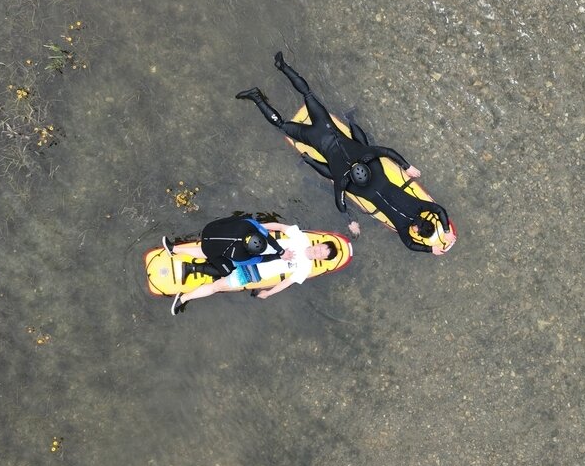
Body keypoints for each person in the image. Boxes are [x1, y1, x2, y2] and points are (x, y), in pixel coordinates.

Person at [237, 51, 454, 255]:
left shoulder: (367, 158)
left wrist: (408, 167)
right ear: (417, 229)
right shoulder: (344, 179)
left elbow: (388, 154)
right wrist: (350, 220)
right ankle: (258, 98)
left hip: (326, 126)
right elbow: (341, 203)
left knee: (308, 94)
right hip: (313, 139)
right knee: (283, 126)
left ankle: (282, 65)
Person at [170, 223, 336, 314]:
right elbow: (280, 227)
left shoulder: (305, 268)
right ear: (320, 243)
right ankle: (175, 250)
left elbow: (287, 282)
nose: (319, 251)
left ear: (321, 259)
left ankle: (183, 298)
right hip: (249, 251)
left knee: (218, 286)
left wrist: (269, 293)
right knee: (209, 252)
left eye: (323, 254)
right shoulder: (302, 238)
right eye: (322, 248)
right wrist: (258, 227)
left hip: (256, 272)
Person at [162, 216, 286, 282]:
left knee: (234, 221)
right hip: (209, 248)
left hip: (209, 229)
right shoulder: (241, 256)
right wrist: (279, 255)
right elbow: (261, 259)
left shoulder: (248, 223)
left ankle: (174, 248)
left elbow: (266, 235)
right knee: (227, 270)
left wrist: (280, 251)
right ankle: (191, 267)